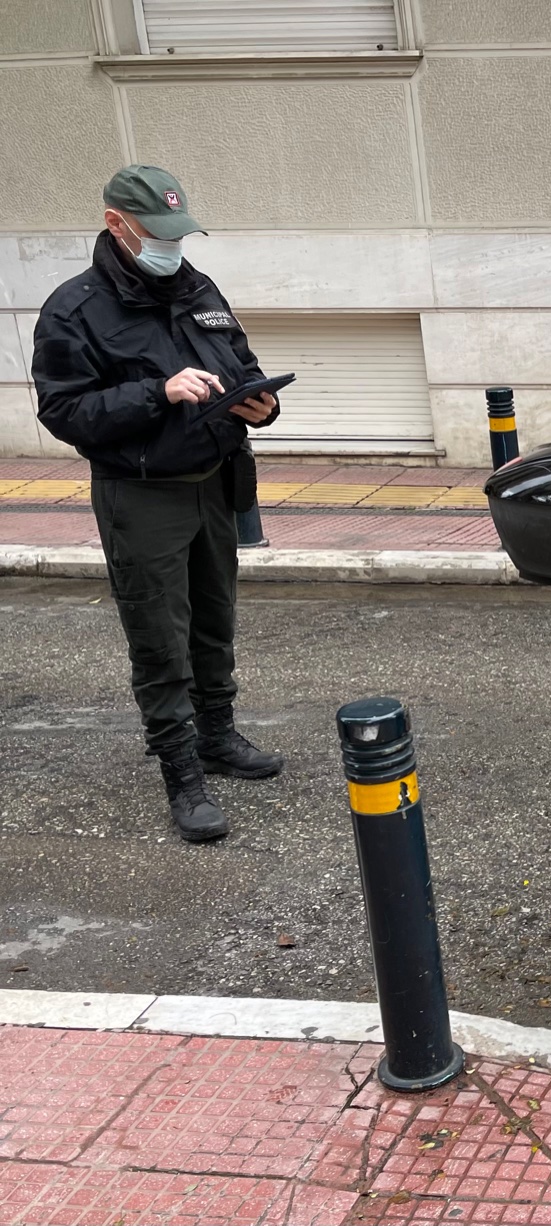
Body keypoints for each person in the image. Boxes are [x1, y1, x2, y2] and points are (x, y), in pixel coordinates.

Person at [33, 165, 285, 843]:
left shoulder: (196, 285)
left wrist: (260, 402)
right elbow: (63, 410)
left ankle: (217, 737)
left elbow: (238, 359)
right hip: (140, 495)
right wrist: (157, 392)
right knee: (159, 637)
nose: (171, 246)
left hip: (212, 480)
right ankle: (181, 771)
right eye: (158, 233)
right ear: (117, 224)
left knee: (213, 621)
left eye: (179, 231)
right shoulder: (74, 308)